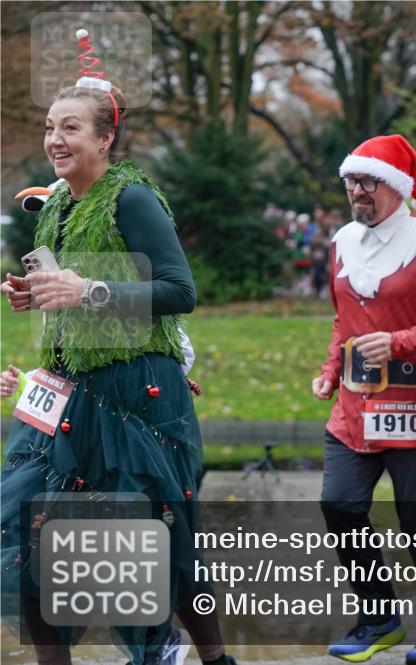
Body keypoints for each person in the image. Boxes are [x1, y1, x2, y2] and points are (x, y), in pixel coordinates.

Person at [0, 31, 232, 665]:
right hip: (68, 394)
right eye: (50, 127)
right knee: (28, 533)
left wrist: (90, 291)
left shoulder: (132, 198)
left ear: (105, 137)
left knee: (162, 544)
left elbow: (179, 291)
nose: (55, 140)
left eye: (71, 128)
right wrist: (37, 294)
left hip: (139, 394)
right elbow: (69, 297)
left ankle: (201, 658)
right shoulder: (54, 208)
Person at [313, 134, 416, 664]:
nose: (357, 192)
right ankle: (379, 616)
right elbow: (346, 322)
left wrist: (400, 342)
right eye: (351, 182)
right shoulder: (341, 241)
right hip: (356, 406)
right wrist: (328, 371)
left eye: (368, 182)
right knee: (338, 504)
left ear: (398, 188)